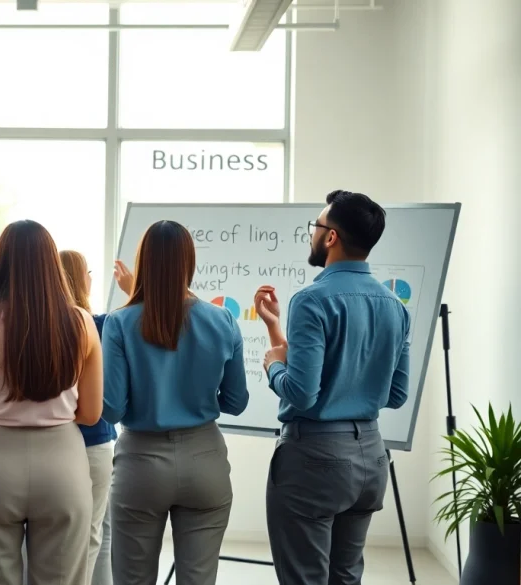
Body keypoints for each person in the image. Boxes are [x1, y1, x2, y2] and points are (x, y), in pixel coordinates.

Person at [254, 190, 410, 585]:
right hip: (371, 459)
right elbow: (396, 394)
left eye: (316, 226)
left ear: (331, 237)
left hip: (314, 460)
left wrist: (273, 368)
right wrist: (274, 327)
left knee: (305, 578)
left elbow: (302, 392)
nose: (312, 234)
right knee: (345, 576)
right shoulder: (396, 306)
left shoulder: (311, 299)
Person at [0, 219, 103, 585]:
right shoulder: (82, 324)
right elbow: (91, 413)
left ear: (0, 263)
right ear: (51, 264)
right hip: (62, 465)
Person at [101, 220, 249, 585]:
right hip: (205, 461)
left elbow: (112, 409)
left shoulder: (119, 323)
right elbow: (236, 402)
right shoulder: (223, 319)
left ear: (144, 262)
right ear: (189, 261)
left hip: (141, 464)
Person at [58, 251, 134, 585]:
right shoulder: (99, 324)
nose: (91, 278)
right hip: (94, 441)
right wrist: (133, 291)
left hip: (56, 440)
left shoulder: (47, 328)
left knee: (87, 531)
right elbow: (138, 320)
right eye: (87, 272)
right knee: (93, 534)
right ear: (79, 279)